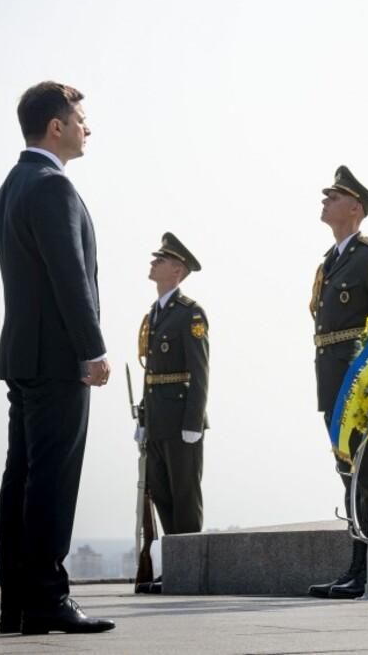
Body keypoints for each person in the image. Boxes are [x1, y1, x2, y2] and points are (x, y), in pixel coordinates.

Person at [0, 82, 115, 634]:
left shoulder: (12, 185)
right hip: (58, 356)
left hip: (23, 352)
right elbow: (69, 277)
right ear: (56, 126)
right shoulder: (51, 187)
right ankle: (47, 596)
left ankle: (17, 603)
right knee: (52, 480)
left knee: (21, 476)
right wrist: (93, 349)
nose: (89, 128)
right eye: (81, 119)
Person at [307, 166, 368, 599]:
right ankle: (356, 566)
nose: (325, 200)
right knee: (348, 472)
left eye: (334, 196)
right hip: (332, 381)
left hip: (359, 384)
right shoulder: (330, 261)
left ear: (355, 208)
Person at [134, 232, 210, 593]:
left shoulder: (190, 313)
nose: (154, 263)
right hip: (159, 421)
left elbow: (199, 371)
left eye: (160, 260)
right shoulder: (155, 314)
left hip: (182, 421)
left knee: (185, 495)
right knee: (162, 493)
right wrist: (144, 420)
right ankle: (174, 568)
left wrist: (193, 422)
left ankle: (189, 571)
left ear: (176, 270)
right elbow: (150, 375)